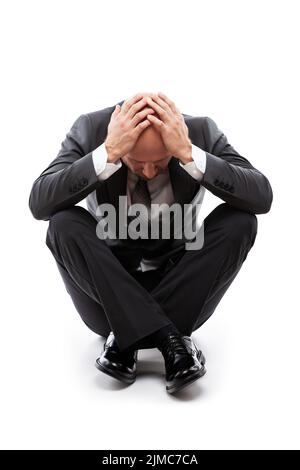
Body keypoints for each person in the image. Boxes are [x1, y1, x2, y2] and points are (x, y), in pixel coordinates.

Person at [29, 92, 273, 394]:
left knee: (241, 221)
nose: (147, 172)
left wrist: (188, 153)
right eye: (136, 162)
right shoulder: (92, 130)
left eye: (159, 163)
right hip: (105, 294)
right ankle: (168, 337)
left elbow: (261, 196)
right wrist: (107, 152)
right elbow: (39, 203)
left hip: (185, 289)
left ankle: (125, 338)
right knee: (63, 222)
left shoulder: (198, 132)